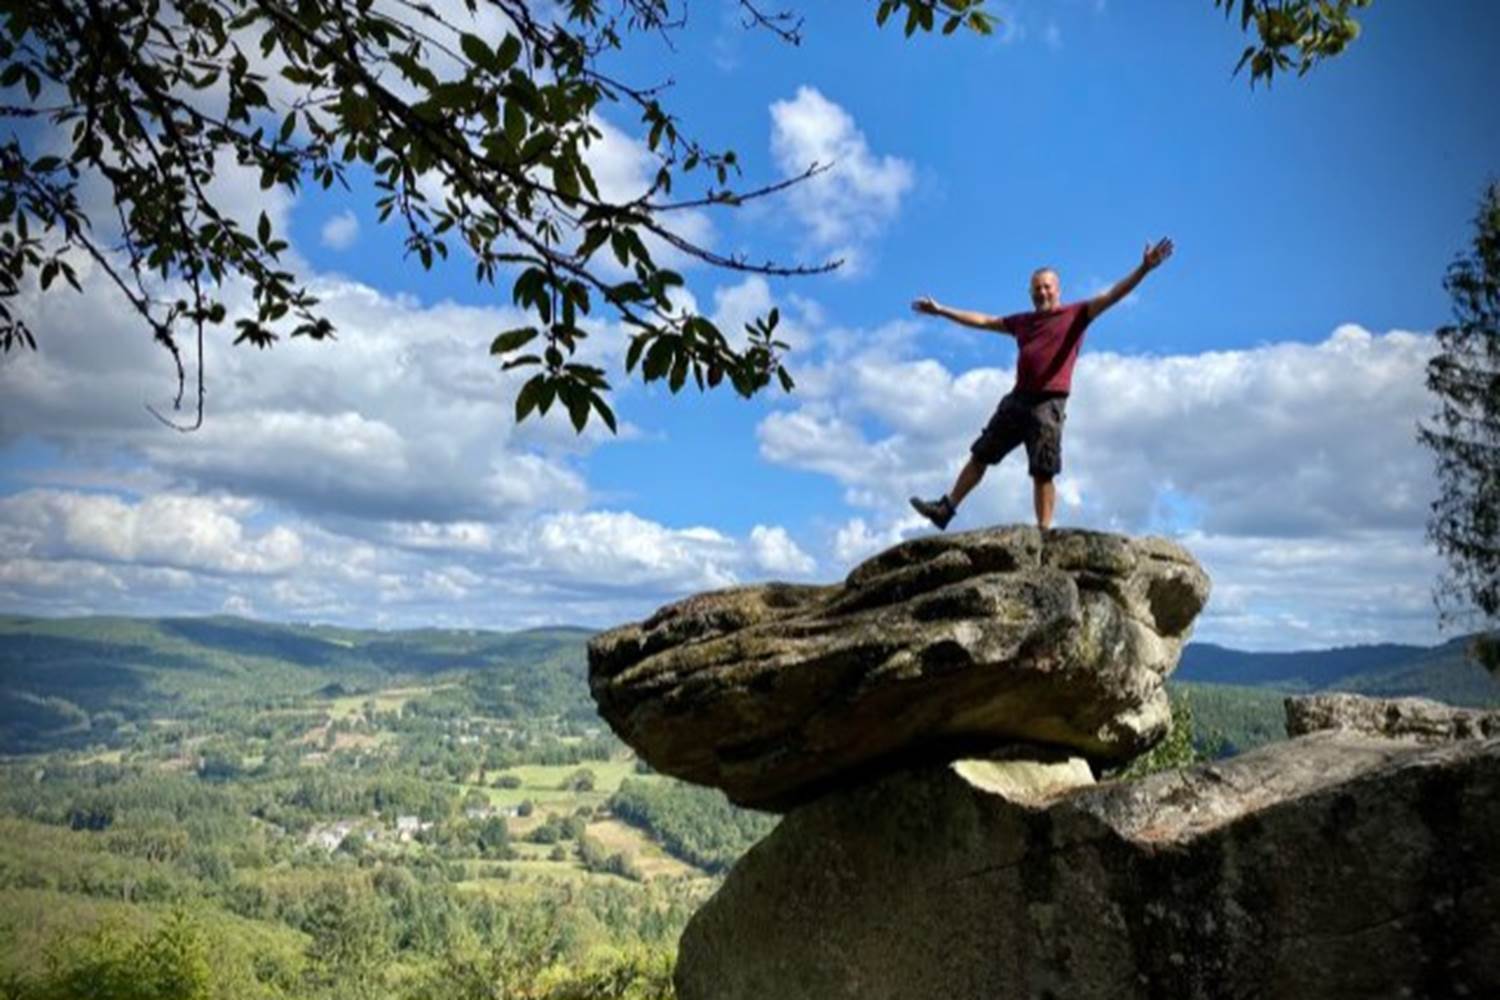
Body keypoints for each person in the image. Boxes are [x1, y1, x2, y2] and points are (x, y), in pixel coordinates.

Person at [908, 238, 1174, 531]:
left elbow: (1113, 295)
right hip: (1018, 399)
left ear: (1058, 290)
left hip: (1049, 403)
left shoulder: (1076, 314)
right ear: (1030, 293)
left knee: (1042, 470)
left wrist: (1143, 269)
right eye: (1037, 288)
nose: (1042, 292)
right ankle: (945, 509)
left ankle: (1044, 534)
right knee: (981, 454)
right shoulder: (1022, 322)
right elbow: (983, 321)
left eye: (1047, 286)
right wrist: (942, 311)